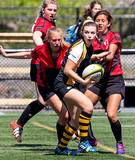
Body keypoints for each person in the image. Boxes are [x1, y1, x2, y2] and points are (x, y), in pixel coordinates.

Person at [0, 26, 70, 144]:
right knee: (65, 115)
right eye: (54, 40)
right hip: (45, 85)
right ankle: (63, 145)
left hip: (60, 84)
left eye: (59, 40)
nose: (57, 43)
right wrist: (6, 55)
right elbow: (27, 55)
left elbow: (82, 57)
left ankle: (66, 141)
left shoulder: (67, 49)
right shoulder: (41, 49)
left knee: (69, 114)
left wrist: (97, 57)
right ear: (48, 39)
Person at [54, 21, 109, 156]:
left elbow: (84, 61)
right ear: (81, 33)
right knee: (88, 106)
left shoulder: (89, 47)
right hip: (63, 84)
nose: (89, 35)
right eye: (87, 32)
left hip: (71, 84)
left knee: (75, 120)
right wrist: (83, 81)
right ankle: (84, 142)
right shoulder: (79, 47)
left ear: (96, 34)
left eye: (92, 33)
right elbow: (67, 70)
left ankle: (61, 147)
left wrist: (97, 57)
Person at [9, 0, 58, 143]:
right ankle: (70, 127)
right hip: (40, 64)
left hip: (46, 65)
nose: (52, 12)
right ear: (43, 10)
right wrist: (45, 51)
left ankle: (18, 123)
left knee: (47, 99)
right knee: (49, 98)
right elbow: (36, 36)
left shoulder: (50, 23)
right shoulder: (43, 23)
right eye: (49, 9)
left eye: (54, 10)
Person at [85, 10, 126, 154]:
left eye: (103, 20)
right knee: (82, 108)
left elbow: (110, 55)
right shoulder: (90, 38)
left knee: (111, 114)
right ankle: (89, 139)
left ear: (108, 23)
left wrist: (94, 57)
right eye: (97, 20)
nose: (100, 23)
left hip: (114, 80)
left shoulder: (114, 36)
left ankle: (119, 143)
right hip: (98, 81)